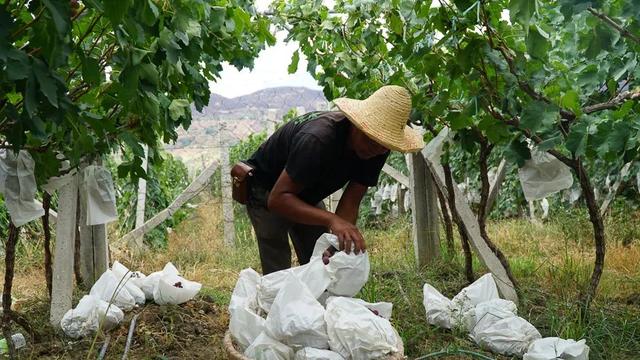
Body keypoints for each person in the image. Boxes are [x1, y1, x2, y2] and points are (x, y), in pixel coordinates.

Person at [243, 85, 425, 274]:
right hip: (267, 189)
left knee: (321, 261)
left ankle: (315, 300)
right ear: (357, 124)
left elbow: (351, 201)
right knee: (278, 269)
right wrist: (332, 220)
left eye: (384, 144)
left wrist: (338, 240)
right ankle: (275, 300)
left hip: (305, 192)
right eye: (372, 139)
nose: (376, 149)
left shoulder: (379, 148)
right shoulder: (318, 139)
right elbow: (278, 199)